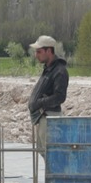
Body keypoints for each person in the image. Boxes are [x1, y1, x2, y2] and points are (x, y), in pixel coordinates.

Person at [27, 35, 69, 165]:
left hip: (49, 118)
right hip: (43, 117)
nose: (36, 55)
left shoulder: (60, 71)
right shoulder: (49, 69)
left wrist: (39, 103)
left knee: (51, 154)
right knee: (43, 150)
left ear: (49, 51)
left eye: (39, 51)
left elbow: (59, 97)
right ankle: (50, 182)